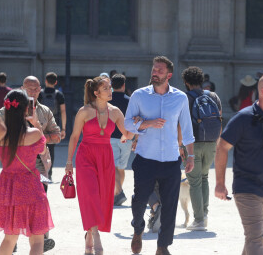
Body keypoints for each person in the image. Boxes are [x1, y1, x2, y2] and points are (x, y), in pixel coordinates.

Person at [124, 56, 195, 255]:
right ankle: (138, 229)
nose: (155, 73)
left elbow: (188, 129)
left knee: (170, 205)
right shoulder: (139, 95)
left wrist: (191, 156)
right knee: (139, 200)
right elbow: (128, 124)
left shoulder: (180, 98)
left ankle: (162, 246)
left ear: (169, 75)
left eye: (160, 71)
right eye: (154, 69)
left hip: (171, 161)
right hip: (145, 159)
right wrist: (147, 123)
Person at [215, 74, 263, 255]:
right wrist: (219, 183)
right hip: (247, 189)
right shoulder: (243, 118)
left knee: (257, 240)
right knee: (255, 240)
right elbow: (222, 147)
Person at [65, 76, 133, 255]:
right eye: (106, 89)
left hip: (105, 156)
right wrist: (68, 162)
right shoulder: (84, 111)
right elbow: (74, 137)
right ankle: (96, 236)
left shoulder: (116, 111)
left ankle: (88, 233)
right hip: (86, 156)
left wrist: (139, 122)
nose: (111, 91)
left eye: (110, 88)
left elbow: (128, 134)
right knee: (90, 195)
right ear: (96, 93)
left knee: (103, 198)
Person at [0, 76, 61, 253]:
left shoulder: (44, 111)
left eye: (35, 88)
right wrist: (34, 129)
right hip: (24, 174)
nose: (32, 92)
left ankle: (32, 234)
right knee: (35, 236)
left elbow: (56, 136)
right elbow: (41, 144)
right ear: (22, 89)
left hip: (25, 175)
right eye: (28, 89)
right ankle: (27, 235)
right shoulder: (13, 116)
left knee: (10, 236)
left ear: (40, 88)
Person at [182, 66, 222, 231]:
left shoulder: (185, 98)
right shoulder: (213, 95)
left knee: (194, 181)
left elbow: (181, 124)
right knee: (204, 178)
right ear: (201, 80)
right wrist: (217, 143)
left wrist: (180, 145)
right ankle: (203, 215)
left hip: (193, 144)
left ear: (186, 82)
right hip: (212, 142)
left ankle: (198, 220)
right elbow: (219, 118)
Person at [109, 74, 133, 206]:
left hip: (111, 136)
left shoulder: (108, 100)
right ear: (124, 85)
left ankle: (118, 193)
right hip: (127, 137)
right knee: (121, 168)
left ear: (111, 85)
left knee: (113, 167)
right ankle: (116, 193)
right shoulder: (130, 100)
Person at [38, 72, 66, 180]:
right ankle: (49, 173)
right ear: (56, 82)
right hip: (54, 124)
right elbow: (63, 111)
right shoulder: (59, 95)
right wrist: (63, 128)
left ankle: (42, 172)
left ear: (45, 81)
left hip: (41, 125)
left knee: (40, 148)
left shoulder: (40, 94)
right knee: (51, 149)